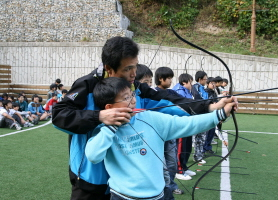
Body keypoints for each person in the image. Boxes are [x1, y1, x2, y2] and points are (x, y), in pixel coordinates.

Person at [52, 36, 238, 200]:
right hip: (91, 178)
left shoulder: (134, 86)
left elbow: (168, 100)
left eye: (135, 66)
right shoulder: (87, 85)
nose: (134, 74)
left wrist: (210, 106)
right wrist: (100, 116)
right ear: (109, 68)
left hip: (123, 183)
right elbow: (59, 115)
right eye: (128, 69)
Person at [85, 77, 235, 200]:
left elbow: (187, 124)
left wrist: (220, 114)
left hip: (158, 195)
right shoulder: (103, 131)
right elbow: (93, 156)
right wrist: (112, 126)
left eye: (132, 95)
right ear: (109, 108)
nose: (133, 100)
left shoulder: (149, 117)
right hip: (122, 197)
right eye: (126, 98)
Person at [154, 66, 183, 197]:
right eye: (169, 78)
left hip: (170, 134)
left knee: (172, 163)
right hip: (158, 135)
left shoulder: (171, 93)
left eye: (171, 78)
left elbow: (184, 102)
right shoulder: (152, 93)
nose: (171, 81)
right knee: (161, 166)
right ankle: (163, 189)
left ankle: (170, 186)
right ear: (160, 79)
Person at [172, 73, 197, 180]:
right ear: (184, 82)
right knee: (180, 148)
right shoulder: (178, 91)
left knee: (187, 146)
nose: (191, 85)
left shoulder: (187, 91)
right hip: (181, 123)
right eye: (190, 82)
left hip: (188, 122)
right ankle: (179, 170)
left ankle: (184, 166)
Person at [192, 71, 209, 164]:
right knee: (199, 137)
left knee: (202, 137)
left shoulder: (203, 88)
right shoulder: (196, 88)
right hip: (199, 115)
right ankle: (197, 156)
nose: (206, 81)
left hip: (204, 115)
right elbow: (199, 100)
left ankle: (199, 155)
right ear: (200, 79)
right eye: (205, 79)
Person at [203, 77, 219, 154]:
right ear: (207, 84)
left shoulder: (214, 92)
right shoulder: (205, 92)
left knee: (211, 132)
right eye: (212, 83)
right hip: (206, 115)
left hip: (213, 115)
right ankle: (202, 149)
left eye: (214, 83)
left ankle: (208, 147)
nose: (214, 85)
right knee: (205, 133)